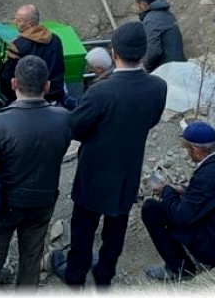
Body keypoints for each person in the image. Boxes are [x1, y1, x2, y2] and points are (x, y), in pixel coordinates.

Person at [52, 22, 167, 287]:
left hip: (95, 172)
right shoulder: (158, 87)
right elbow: (151, 120)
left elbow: (75, 128)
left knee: (83, 229)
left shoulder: (101, 92)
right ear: (142, 52)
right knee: (116, 229)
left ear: (114, 52)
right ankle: (104, 276)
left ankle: (75, 276)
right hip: (128, 171)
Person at [0, 56, 73, 288]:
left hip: (4, 203)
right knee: (31, 259)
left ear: (13, 84)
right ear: (47, 86)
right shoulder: (64, 119)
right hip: (43, 201)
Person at [141, 121, 215, 281]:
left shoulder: (207, 177)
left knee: (151, 209)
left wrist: (166, 190)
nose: (186, 152)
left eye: (186, 148)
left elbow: (180, 216)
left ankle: (180, 269)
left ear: (196, 150)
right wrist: (184, 190)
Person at [0, 4, 65, 105]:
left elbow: (7, 77)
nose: (14, 22)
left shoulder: (18, 46)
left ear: (29, 24)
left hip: (27, 98)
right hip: (55, 94)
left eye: (18, 20)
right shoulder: (56, 39)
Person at [134, 0, 186, 71]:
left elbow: (154, 51)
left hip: (168, 68)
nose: (136, 7)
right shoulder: (167, 14)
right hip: (179, 63)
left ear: (143, 4)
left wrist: (144, 66)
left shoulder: (151, 19)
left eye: (137, 4)